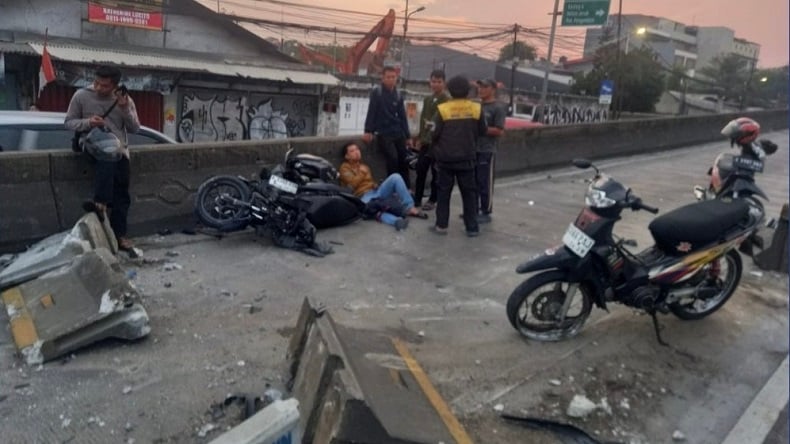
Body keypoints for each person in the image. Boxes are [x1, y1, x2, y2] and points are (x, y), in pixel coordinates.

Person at [65, 65, 141, 256]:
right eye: (97, 83)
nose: (99, 88)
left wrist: (124, 108)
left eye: (105, 86)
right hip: (91, 144)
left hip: (119, 149)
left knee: (122, 194)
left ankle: (119, 235)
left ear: (115, 85)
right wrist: (88, 122)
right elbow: (69, 122)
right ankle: (100, 202)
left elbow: (134, 128)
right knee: (107, 155)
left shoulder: (124, 100)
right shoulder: (81, 96)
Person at [430, 75, 487, 237]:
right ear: (468, 91)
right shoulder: (476, 108)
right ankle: (472, 227)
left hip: (445, 159)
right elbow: (483, 131)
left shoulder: (443, 109)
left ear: (449, 89)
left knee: (443, 193)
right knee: (469, 194)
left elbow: (434, 132)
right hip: (468, 158)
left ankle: (441, 226)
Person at [339, 142, 427, 231]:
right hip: (362, 197)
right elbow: (352, 184)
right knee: (375, 210)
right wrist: (362, 172)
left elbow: (369, 182)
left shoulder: (364, 166)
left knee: (395, 177)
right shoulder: (344, 168)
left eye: (357, 149)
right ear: (347, 156)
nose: (357, 152)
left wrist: (376, 185)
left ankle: (409, 207)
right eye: (352, 151)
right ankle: (397, 221)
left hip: (375, 192)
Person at [362, 66, 411, 189]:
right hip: (384, 132)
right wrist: (368, 131)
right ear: (382, 78)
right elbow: (371, 111)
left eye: (393, 77)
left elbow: (402, 116)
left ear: (396, 78)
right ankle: (393, 187)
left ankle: (406, 188)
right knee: (392, 159)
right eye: (388, 77)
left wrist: (408, 136)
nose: (391, 80)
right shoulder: (377, 93)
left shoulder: (398, 95)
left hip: (398, 131)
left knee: (403, 159)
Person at [412, 69, 449, 211]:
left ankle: (433, 199)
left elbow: (439, 122)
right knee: (421, 169)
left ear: (444, 83)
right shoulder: (428, 99)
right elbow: (423, 120)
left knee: (436, 172)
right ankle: (418, 198)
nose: (435, 84)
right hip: (426, 142)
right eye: (433, 81)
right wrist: (420, 137)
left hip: (438, 143)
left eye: (439, 82)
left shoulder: (446, 100)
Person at [474, 79, 506, 224]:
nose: (481, 90)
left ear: (493, 89)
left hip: (487, 149)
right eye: (480, 87)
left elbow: (499, 130)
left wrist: (483, 129)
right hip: (474, 148)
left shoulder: (497, 108)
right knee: (473, 181)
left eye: (485, 87)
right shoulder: (477, 106)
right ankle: (473, 208)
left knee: (485, 181)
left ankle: (486, 210)